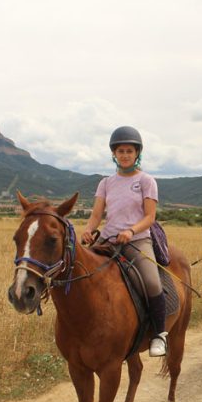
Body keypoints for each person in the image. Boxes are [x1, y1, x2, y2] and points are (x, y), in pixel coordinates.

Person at [81, 126, 168, 357]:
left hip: (137, 241)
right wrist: (89, 230)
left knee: (151, 282)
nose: (125, 155)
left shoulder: (146, 181)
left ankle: (159, 334)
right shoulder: (106, 183)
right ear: (114, 154)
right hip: (108, 241)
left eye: (129, 150)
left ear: (137, 153)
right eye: (120, 151)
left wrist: (131, 231)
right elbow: (96, 215)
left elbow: (150, 217)